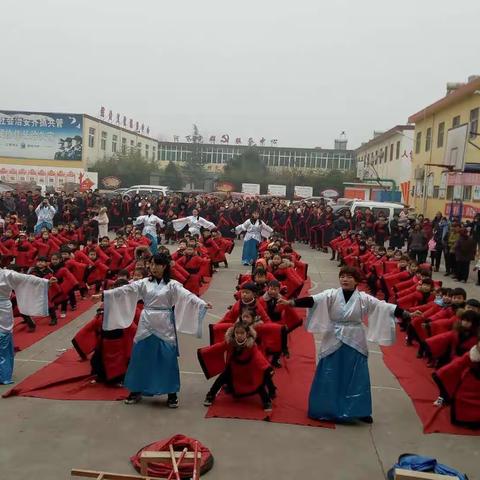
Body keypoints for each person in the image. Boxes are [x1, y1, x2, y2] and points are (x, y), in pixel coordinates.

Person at [279, 266, 418, 423]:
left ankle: (359, 410)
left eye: (349, 277)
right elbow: (313, 300)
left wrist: (407, 313)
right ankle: (324, 408)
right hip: (333, 336)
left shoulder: (364, 298)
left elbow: (384, 306)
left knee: (356, 374)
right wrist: (291, 302)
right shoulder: (331, 294)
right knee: (329, 372)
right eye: (342, 276)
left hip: (355, 338)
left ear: (357, 281)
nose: (345, 279)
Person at [97, 253, 212, 407]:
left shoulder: (172, 284)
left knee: (167, 357)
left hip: (165, 322)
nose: (153, 267)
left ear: (164, 266)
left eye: (157, 264)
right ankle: (136, 390)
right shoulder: (143, 283)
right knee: (140, 357)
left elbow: (187, 296)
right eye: (151, 264)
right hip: (146, 321)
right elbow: (125, 290)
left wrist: (201, 303)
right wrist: (105, 295)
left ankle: (172, 394)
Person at [1, 264, 56, 384]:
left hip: (2, 309)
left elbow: (27, 279)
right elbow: (27, 279)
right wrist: (45, 281)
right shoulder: (7, 274)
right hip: (3, 308)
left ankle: (3, 375)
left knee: (3, 339)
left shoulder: (7, 274)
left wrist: (45, 281)